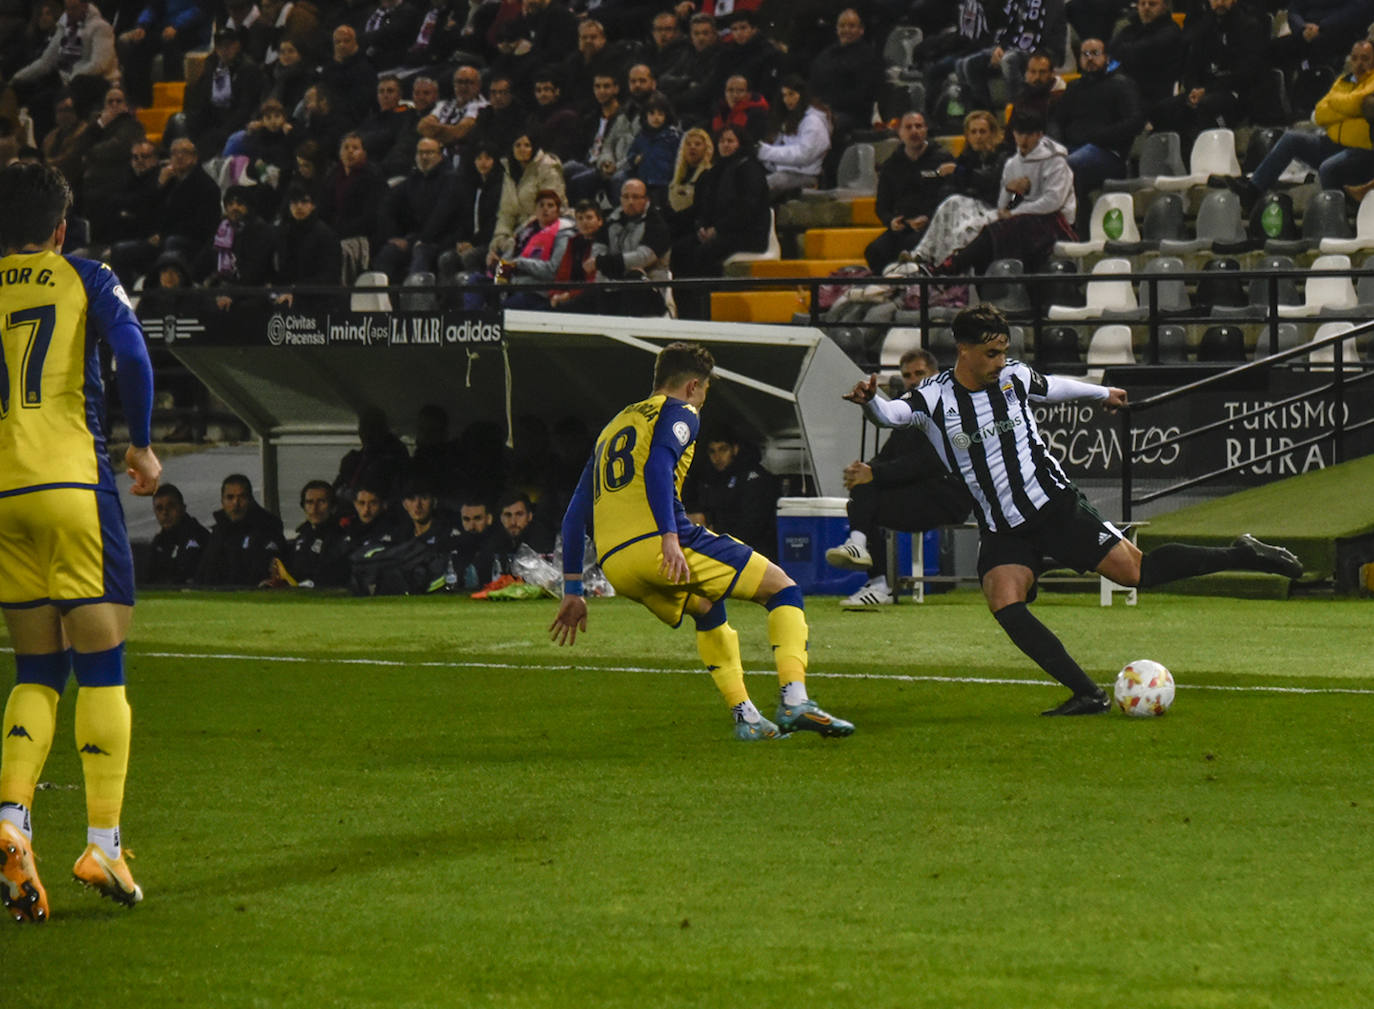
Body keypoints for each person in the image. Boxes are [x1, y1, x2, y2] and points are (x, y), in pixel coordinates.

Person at [844, 305, 1305, 715]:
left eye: (1003, 351)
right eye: (990, 353)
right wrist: (871, 404)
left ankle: (1240, 554)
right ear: (963, 350)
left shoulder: (1012, 378)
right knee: (1004, 600)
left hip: (1054, 506)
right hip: (1003, 526)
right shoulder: (933, 397)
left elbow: (1053, 387)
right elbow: (892, 416)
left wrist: (1099, 393)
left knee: (1133, 573)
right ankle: (1087, 693)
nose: (1000, 361)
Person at [0, 162, 161, 923]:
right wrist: (143, 446)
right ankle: (103, 842)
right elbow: (131, 353)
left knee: (37, 664)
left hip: (3, 495)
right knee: (102, 664)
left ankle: (12, 820)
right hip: (70, 482)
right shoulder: (84, 273)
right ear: (60, 227)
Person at [551, 341, 854, 741]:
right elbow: (660, 464)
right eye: (706, 391)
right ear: (693, 386)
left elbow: (575, 511)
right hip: (658, 544)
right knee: (782, 589)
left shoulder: (614, 426)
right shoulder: (680, 412)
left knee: (707, 607)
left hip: (617, 565)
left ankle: (746, 717)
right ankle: (795, 700)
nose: (704, 400)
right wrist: (670, 536)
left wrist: (573, 587)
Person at [826, 349, 973, 606]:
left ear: (936, 375)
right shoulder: (908, 412)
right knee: (864, 488)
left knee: (868, 490)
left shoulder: (951, 409)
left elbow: (927, 463)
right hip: (919, 494)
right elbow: (888, 457)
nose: (913, 380)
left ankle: (874, 572)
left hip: (948, 499)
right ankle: (873, 573)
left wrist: (874, 472)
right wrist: (862, 470)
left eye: (919, 373)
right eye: (907, 375)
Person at [1213, 40, 1374, 209]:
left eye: (1365, 58)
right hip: (1332, 144)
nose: (1359, 64)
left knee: (1328, 167)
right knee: (1291, 139)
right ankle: (1252, 192)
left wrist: (1338, 104)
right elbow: (1320, 114)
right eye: (1355, 58)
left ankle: (1336, 215)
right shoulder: (1343, 81)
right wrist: (1350, 108)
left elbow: (1356, 103)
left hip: (1360, 150)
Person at [934, 110, 1075, 276]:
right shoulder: (1012, 163)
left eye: (1029, 135)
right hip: (1024, 216)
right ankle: (952, 273)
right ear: (1014, 134)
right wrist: (1009, 190)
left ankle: (951, 267)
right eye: (1020, 134)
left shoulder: (1055, 162)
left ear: (1039, 135)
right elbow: (1002, 204)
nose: (1024, 140)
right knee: (979, 226)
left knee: (998, 231)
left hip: (1056, 221)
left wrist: (1015, 212)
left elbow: (1053, 202)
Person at [1051, 38, 1143, 239]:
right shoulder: (1074, 88)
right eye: (1085, 54)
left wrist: (1099, 137)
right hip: (1074, 149)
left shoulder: (1122, 85)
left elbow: (1135, 121)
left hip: (1109, 154)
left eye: (1095, 53)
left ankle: (1078, 234)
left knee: (1069, 167)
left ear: (1107, 57)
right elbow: (1057, 121)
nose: (1089, 59)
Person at [913, 110, 1008, 267]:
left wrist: (959, 172)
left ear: (992, 133)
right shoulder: (967, 156)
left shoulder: (1003, 155)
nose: (978, 136)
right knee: (951, 201)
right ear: (968, 136)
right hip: (971, 205)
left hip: (995, 206)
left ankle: (946, 266)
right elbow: (953, 186)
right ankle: (921, 256)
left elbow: (990, 181)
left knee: (963, 229)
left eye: (983, 131)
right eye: (974, 132)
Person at [864, 111, 954, 273]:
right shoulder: (891, 165)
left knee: (910, 245)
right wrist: (891, 221)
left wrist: (928, 217)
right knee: (874, 251)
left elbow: (950, 196)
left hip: (932, 226)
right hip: (902, 226)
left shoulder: (942, 158)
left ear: (926, 130)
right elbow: (882, 206)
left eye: (918, 126)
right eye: (909, 127)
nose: (914, 131)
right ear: (900, 133)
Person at [683, 426, 779, 559]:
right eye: (712, 451)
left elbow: (752, 525)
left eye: (723, 449)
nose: (718, 457)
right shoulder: (710, 480)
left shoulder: (753, 479)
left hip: (755, 553)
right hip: (723, 548)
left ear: (735, 449)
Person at [195, 474, 286, 586]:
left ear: (250, 500)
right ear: (222, 502)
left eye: (241, 497)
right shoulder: (219, 531)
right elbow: (205, 572)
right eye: (230, 497)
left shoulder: (267, 528)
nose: (236, 503)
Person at [756, 75, 831, 195]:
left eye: (791, 94)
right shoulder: (790, 120)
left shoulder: (813, 121)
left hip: (806, 176)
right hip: (783, 171)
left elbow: (804, 155)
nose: (787, 100)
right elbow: (779, 149)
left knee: (765, 185)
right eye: (784, 95)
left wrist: (766, 152)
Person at [279, 479, 348, 587]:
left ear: (333, 507)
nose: (315, 509)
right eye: (309, 502)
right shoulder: (302, 537)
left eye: (321, 502)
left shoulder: (341, 539)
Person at [145, 483, 208, 585]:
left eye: (171, 506)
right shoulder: (159, 542)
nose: (165, 513)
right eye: (159, 508)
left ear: (183, 508)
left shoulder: (199, 537)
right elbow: (148, 577)